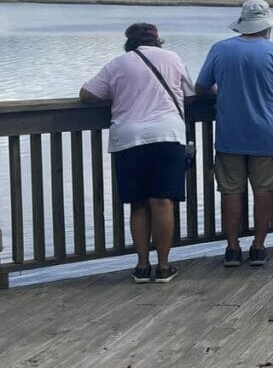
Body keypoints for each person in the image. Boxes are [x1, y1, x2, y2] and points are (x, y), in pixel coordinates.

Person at [80, 23, 194, 283]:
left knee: (139, 204)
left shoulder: (118, 64)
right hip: (168, 135)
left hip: (129, 137)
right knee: (163, 201)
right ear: (157, 41)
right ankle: (164, 267)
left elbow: (86, 94)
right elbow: (189, 94)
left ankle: (142, 266)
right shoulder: (173, 58)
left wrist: (115, 97)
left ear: (128, 42)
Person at [195, 0, 273, 267]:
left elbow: (201, 86)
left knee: (230, 192)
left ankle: (232, 248)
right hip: (266, 134)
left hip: (229, 134)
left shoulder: (220, 50)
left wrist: (221, 91)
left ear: (242, 24)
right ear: (267, 26)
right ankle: (259, 247)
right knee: (264, 191)